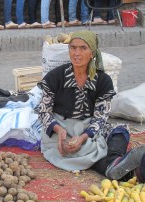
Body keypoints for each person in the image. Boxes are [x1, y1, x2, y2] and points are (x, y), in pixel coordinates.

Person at [37, 30, 145, 181]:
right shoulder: (55, 76)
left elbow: (100, 118)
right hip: (60, 129)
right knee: (75, 150)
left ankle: (115, 164)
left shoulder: (102, 80)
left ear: (92, 53)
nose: (76, 53)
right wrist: (58, 129)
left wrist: (83, 137)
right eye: (73, 48)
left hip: (87, 129)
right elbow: (44, 111)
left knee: (120, 130)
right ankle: (115, 165)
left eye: (83, 48)